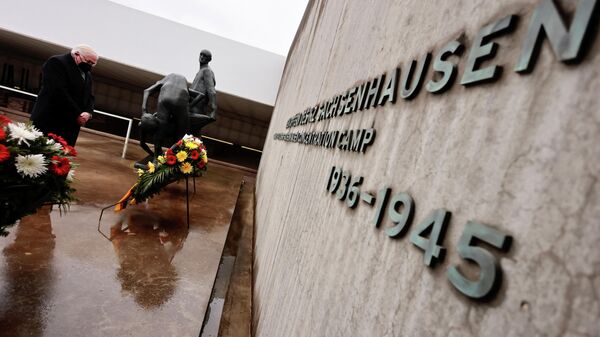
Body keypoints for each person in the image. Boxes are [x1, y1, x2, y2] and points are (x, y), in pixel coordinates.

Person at [30, 44, 98, 146]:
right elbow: (58, 91)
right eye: (88, 61)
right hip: (50, 121)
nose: (89, 66)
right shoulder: (57, 62)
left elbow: (90, 96)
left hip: (70, 127)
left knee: (62, 159)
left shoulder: (87, 74)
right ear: (76, 54)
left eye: (92, 64)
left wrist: (88, 112)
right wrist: (78, 114)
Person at [139, 73, 190, 162]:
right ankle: (174, 158)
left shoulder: (163, 81)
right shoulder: (177, 80)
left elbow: (147, 91)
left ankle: (157, 158)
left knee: (160, 129)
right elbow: (146, 91)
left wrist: (144, 111)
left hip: (165, 99)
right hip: (181, 98)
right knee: (180, 133)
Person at [189, 49, 217, 134]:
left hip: (196, 106)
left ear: (209, 60)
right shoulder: (200, 71)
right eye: (201, 55)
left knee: (190, 133)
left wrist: (213, 110)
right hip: (192, 102)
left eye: (205, 56)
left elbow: (211, 91)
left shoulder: (207, 71)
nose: (202, 57)